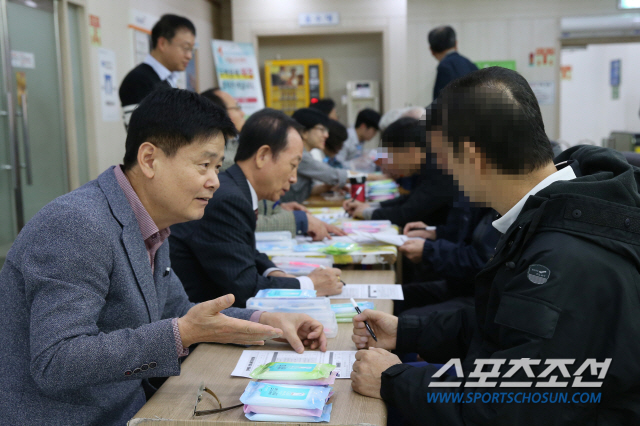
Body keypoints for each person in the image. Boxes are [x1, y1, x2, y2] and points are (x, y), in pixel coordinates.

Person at [0, 89, 327, 426]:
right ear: (149, 159)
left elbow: (181, 313)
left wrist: (265, 321)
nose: (215, 181)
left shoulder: (152, 221)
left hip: (134, 406)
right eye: (204, 164)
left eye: (217, 166)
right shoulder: (77, 224)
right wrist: (181, 334)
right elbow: (56, 361)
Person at [349, 67, 640, 425]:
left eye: (445, 160)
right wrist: (408, 331)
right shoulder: (556, 211)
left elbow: (509, 404)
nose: (447, 174)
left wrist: (394, 380)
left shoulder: (564, 257)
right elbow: (506, 324)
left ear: (473, 157)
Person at [169, 108, 344, 307]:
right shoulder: (228, 200)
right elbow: (246, 290)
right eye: (292, 165)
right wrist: (309, 284)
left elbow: (244, 251)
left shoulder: (235, 189)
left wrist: (274, 272)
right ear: (262, 156)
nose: (294, 178)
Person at [344, 117, 456, 228]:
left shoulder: (441, 168)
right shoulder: (430, 163)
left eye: (393, 155)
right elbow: (411, 199)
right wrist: (370, 206)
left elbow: (407, 214)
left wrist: (366, 212)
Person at [119, 15, 195, 128]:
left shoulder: (168, 80)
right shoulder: (138, 81)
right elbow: (141, 134)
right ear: (162, 44)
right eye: (185, 48)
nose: (189, 56)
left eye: (191, 49)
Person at [428, 25, 478, 101]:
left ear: (431, 50)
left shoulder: (444, 66)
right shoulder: (470, 64)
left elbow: (440, 102)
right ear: (456, 43)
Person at [200, 88, 245, 171]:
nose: (242, 113)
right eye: (237, 108)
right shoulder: (221, 158)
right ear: (220, 112)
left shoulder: (236, 142)